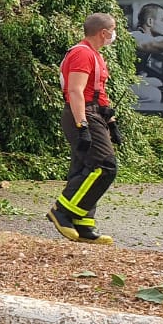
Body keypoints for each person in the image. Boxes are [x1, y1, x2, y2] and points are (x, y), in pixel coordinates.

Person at [46, 13, 120, 245]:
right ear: (103, 32)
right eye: (113, 30)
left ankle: (84, 222)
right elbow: (76, 91)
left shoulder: (96, 55)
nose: (113, 35)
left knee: (85, 168)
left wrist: (112, 121)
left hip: (93, 112)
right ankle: (62, 210)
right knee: (105, 166)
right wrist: (82, 125)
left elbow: (99, 93)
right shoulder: (82, 53)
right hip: (82, 113)